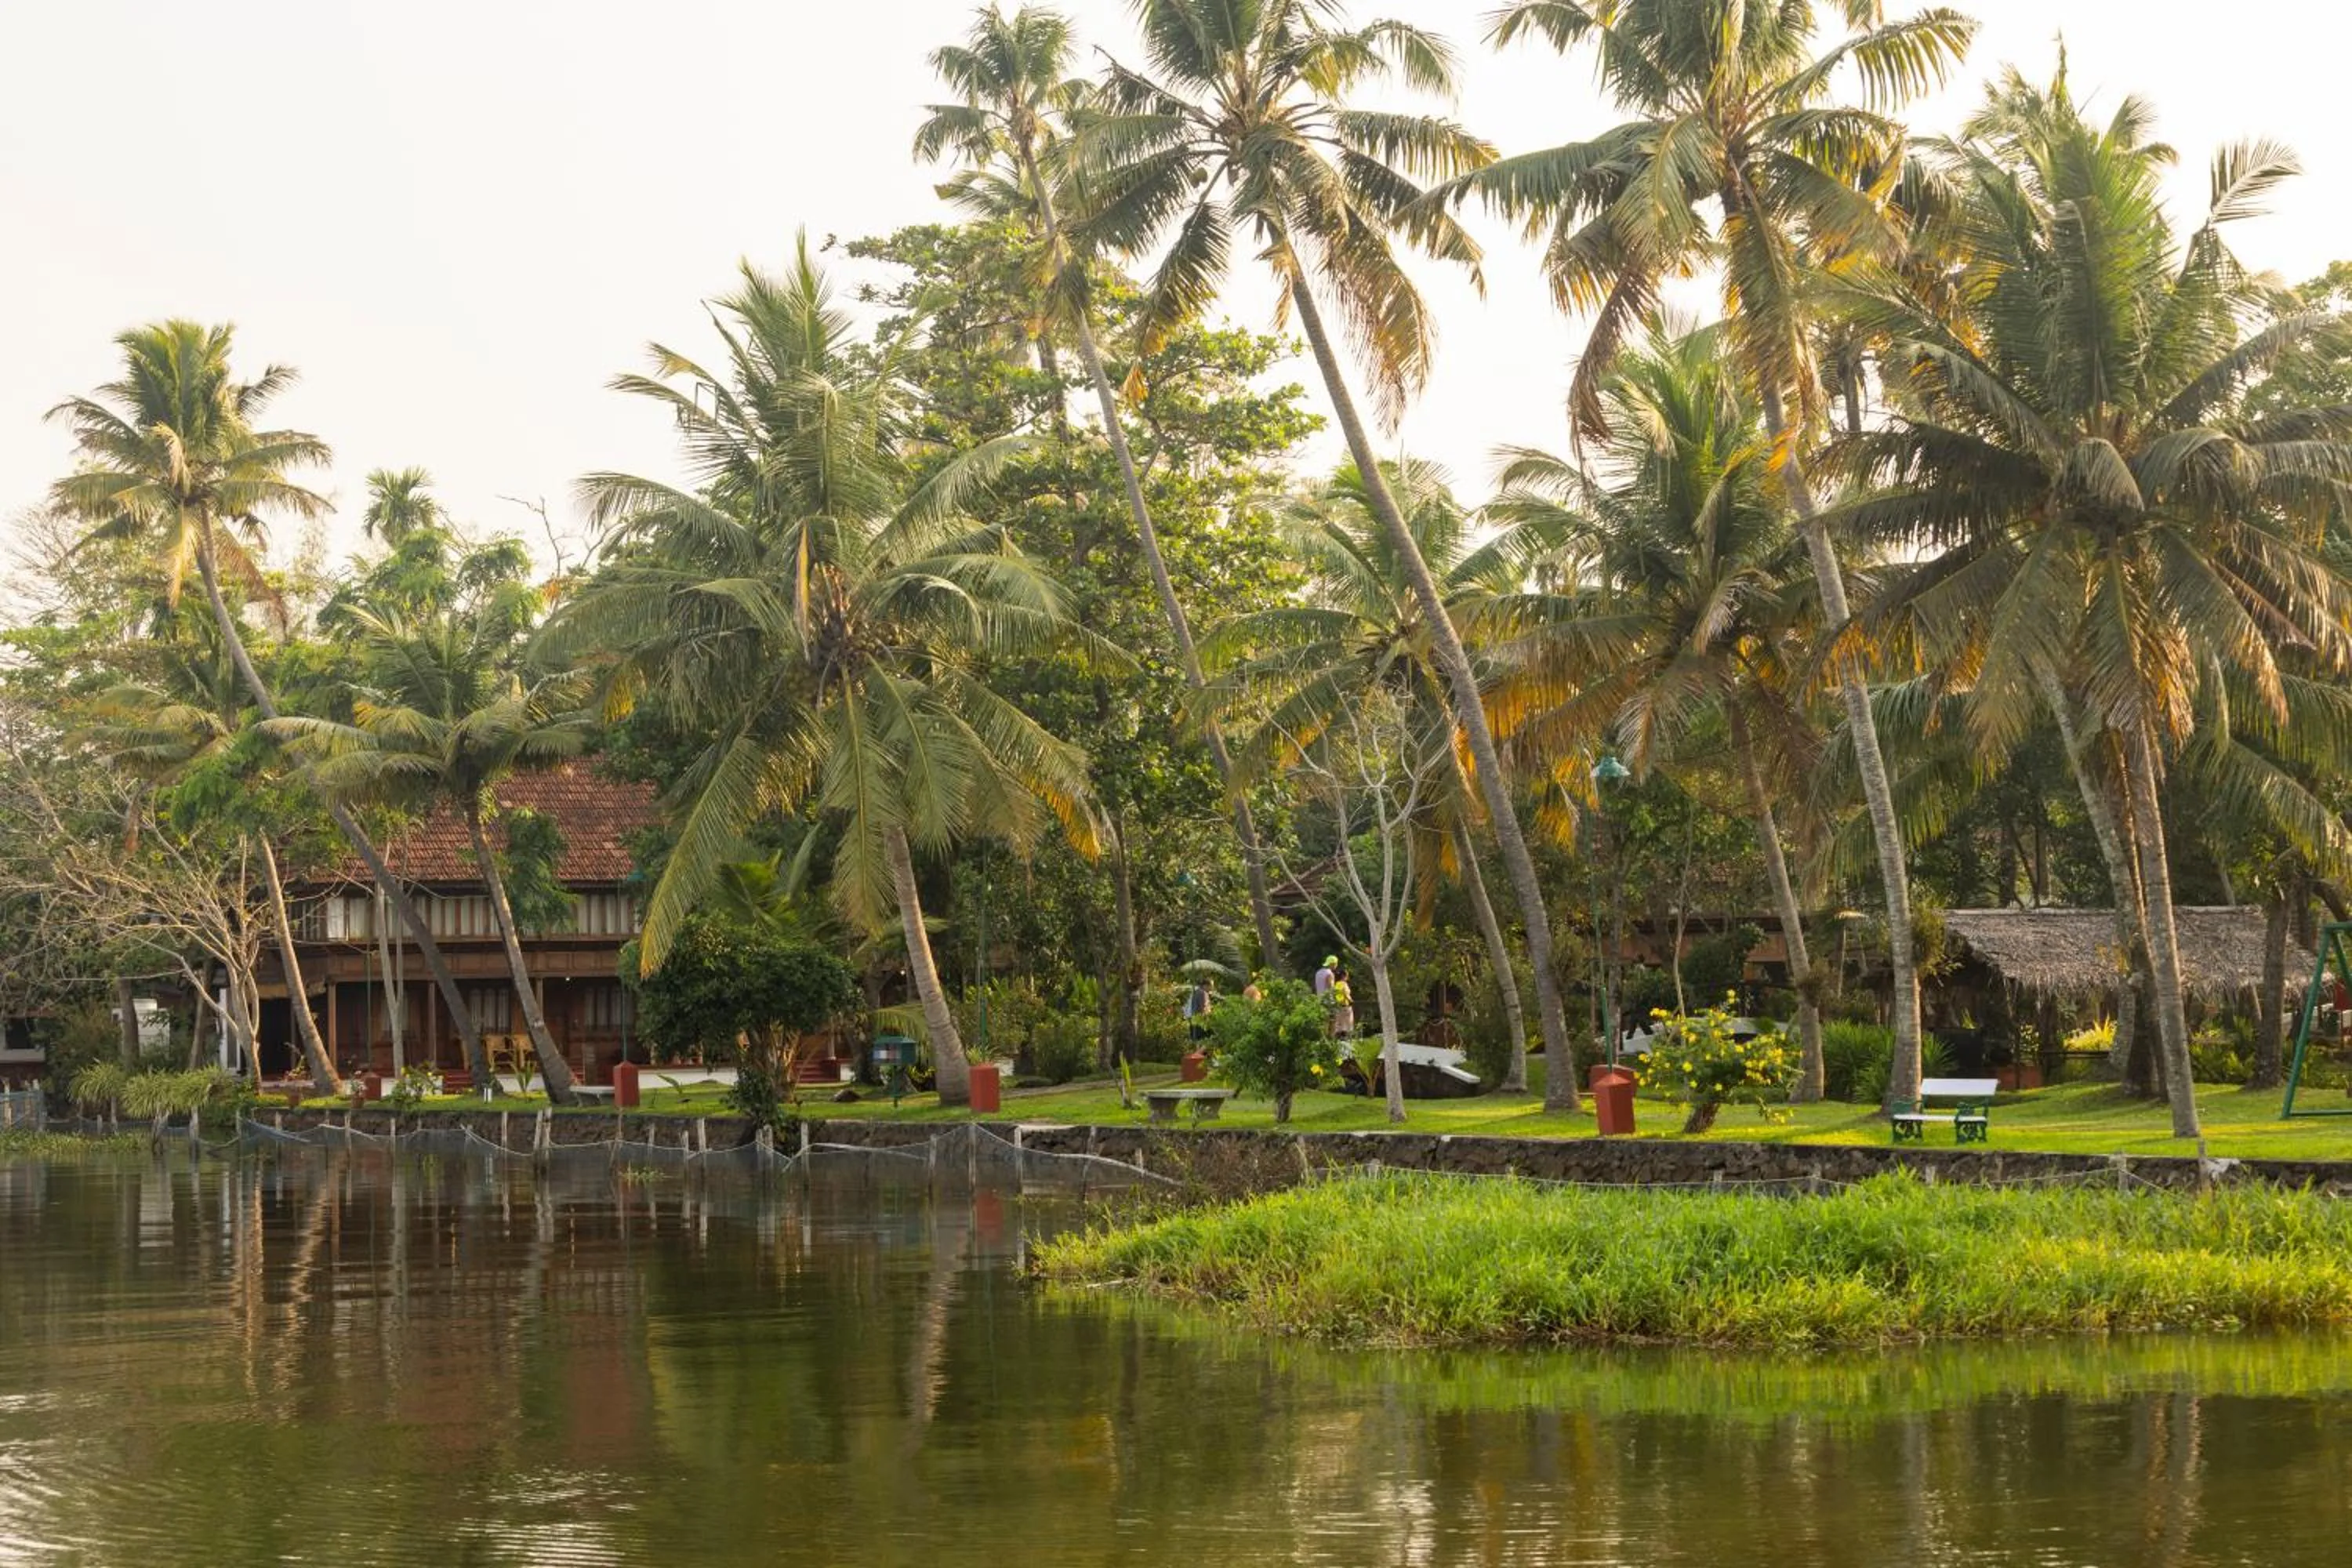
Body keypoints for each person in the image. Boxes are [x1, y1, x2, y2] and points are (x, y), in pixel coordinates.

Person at [1184, 977, 1214, 1042]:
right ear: (1205, 985)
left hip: (1193, 1019)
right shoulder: (1203, 993)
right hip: (1200, 1021)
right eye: (1211, 986)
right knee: (1205, 1039)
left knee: (1195, 1040)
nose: (1212, 988)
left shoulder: (1196, 991)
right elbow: (1204, 1008)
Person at [1328, 969, 1355, 1040]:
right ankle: (1346, 1038)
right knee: (1347, 1023)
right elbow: (1345, 992)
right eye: (1347, 975)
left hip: (1338, 1005)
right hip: (1345, 1005)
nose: (1347, 977)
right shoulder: (1344, 984)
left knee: (1339, 1023)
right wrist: (1351, 1000)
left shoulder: (1336, 984)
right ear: (1343, 976)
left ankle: (1339, 1039)